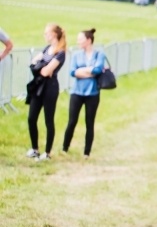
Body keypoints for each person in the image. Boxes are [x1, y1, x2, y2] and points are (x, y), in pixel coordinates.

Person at [62, 28, 107, 158]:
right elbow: (72, 72)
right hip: (77, 92)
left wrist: (81, 71)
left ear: (88, 40)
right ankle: (65, 147)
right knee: (72, 121)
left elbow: (98, 70)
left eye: (80, 39)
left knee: (89, 122)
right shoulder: (76, 55)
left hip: (92, 93)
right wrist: (89, 71)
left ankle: (87, 152)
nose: (78, 41)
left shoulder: (99, 54)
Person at [27, 23, 67, 161]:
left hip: (50, 87)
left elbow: (46, 71)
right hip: (39, 86)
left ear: (54, 34)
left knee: (48, 120)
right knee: (31, 118)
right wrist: (41, 66)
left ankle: (47, 152)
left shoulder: (60, 53)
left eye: (46, 33)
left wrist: (40, 65)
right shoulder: (46, 49)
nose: (45, 35)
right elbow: (33, 63)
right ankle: (35, 149)